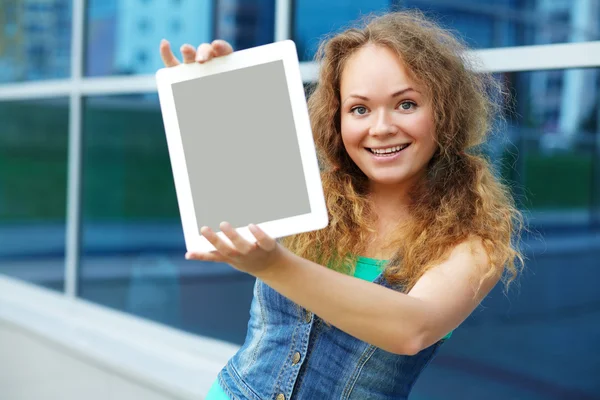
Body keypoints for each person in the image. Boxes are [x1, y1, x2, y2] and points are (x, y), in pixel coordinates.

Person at [159, 10, 523, 400]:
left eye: (406, 104)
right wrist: (219, 91)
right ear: (337, 119)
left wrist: (275, 265)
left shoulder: (472, 244)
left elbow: (412, 329)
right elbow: (231, 165)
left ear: (446, 114)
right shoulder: (306, 196)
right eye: (359, 109)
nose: (380, 127)